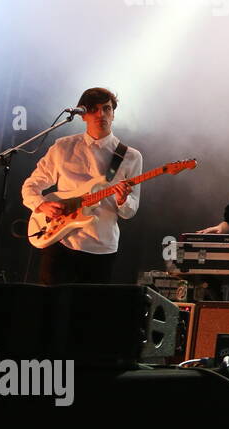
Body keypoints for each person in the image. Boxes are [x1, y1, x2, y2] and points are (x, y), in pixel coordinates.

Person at [21, 87, 141, 285]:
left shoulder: (130, 156)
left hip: (101, 247)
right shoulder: (62, 147)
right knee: (49, 308)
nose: (101, 114)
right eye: (93, 109)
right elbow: (31, 185)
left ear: (113, 114)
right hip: (60, 240)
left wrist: (123, 200)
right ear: (82, 115)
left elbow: (130, 211)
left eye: (107, 109)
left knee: (88, 312)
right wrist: (41, 205)